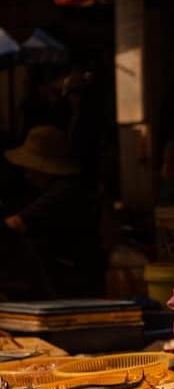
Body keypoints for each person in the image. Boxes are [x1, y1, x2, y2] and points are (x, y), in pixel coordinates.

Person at [3, 125, 106, 298]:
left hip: (74, 282)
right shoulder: (59, 188)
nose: (27, 173)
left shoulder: (64, 192)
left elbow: (16, 224)